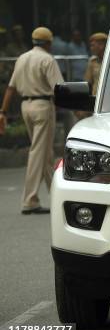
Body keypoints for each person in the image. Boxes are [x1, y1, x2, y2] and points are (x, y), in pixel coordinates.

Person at [0, 27, 64, 214]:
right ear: (48, 43)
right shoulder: (47, 59)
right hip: (43, 106)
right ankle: (30, 201)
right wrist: (75, 107)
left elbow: (11, 88)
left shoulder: (22, 58)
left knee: (44, 153)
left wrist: (3, 111)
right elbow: (58, 89)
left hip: (25, 107)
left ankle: (58, 195)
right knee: (38, 152)